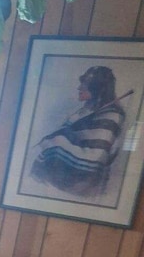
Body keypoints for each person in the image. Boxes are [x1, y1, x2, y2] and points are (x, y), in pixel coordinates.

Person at [30, 65, 127, 196]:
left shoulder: (111, 115)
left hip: (81, 183)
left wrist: (56, 143)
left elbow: (94, 158)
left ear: (98, 87)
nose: (79, 88)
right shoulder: (85, 111)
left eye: (85, 84)